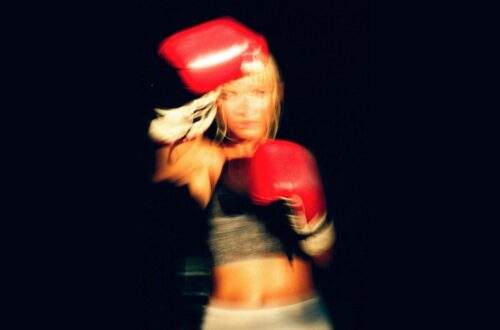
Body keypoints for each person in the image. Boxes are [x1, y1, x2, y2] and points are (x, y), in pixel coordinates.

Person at [148, 17, 336, 330]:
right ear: (214, 102)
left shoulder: (299, 158)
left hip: (302, 317)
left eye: (258, 93)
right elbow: (160, 166)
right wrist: (179, 113)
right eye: (231, 95)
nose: (245, 108)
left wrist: (313, 227)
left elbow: (326, 261)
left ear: (276, 95)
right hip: (229, 320)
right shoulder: (206, 159)